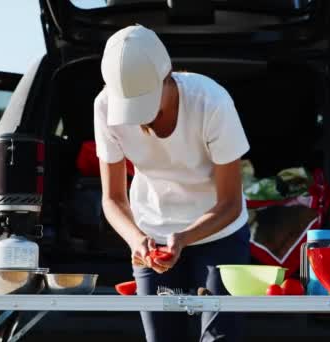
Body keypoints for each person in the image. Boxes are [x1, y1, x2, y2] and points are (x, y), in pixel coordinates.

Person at [94, 24, 251, 342]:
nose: (140, 118)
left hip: (219, 231)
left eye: (147, 102)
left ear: (167, 76)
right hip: (151, 233)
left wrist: (183, 238)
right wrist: (137, 240)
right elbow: (113, 199)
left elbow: (231, 204)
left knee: (219, 338)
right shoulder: (104, 107)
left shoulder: (212, 102)